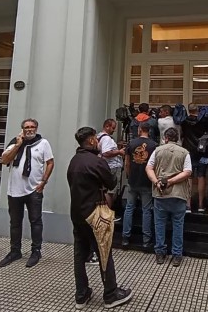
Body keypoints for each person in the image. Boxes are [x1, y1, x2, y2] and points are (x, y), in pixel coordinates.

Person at [67, 126, 133, 309]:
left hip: (77, 213)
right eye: (95, 138)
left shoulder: (74, 161)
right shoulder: (97, 162)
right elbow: (111, 183)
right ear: (90, 140)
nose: (97, 140)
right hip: (95, 212)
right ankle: (111, 294)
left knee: (79, 254)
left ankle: (81, 294)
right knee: (104, 252)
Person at [0, 118, 55, 268]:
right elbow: (4, 160)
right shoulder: (15, 142)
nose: (30, 129)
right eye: (27, 127)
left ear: (36, 128)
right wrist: (18, 145)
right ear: (22, 129)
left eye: (32, 127)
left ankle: (36, 251)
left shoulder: (43, 143)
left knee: (35, 221)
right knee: (15, 223)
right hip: (14, 190)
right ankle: (15, 251)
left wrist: (43, 182)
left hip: (34, 190)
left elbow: (50, 162)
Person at [145, 127, 192, 267]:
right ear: (177, 139)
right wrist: (172, 181)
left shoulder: (157, 151)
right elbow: (188, 172)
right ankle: (177, 255)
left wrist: (156, 182)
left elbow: (148, 168)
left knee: (159, 224)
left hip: (160, 194)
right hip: (179, 194)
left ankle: (160, 253)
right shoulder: (184, 152)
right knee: (178, 224)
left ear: (165, 138)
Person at [122, 121, 157, 248]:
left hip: (133, 180)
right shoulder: (154, 145)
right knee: (146, 210)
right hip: (146, 181)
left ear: (140, 129)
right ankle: (146, 240)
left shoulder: (131, 143)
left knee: (129, 208)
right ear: (149, 131)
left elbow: (127, 163)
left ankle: (125, 238)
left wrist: (128, 176)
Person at [180, 103, 208, 213]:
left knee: (189, 177)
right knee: (201, 176)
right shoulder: (203, 121)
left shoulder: (184, 122)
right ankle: (201, 205)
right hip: (202, 151)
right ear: (198, 110)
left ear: (189, 110)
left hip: (188, 151)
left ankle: (188, 205)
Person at [97, 119, 125, 212]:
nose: (114, 130)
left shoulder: (100, 137)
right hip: (112, 167)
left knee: (106, 191)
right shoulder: (106, 139)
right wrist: (119, 152)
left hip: (107, 166)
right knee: (110, 192)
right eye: (113, 128)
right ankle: (107, 213)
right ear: (107, 126)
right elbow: (106, 152)